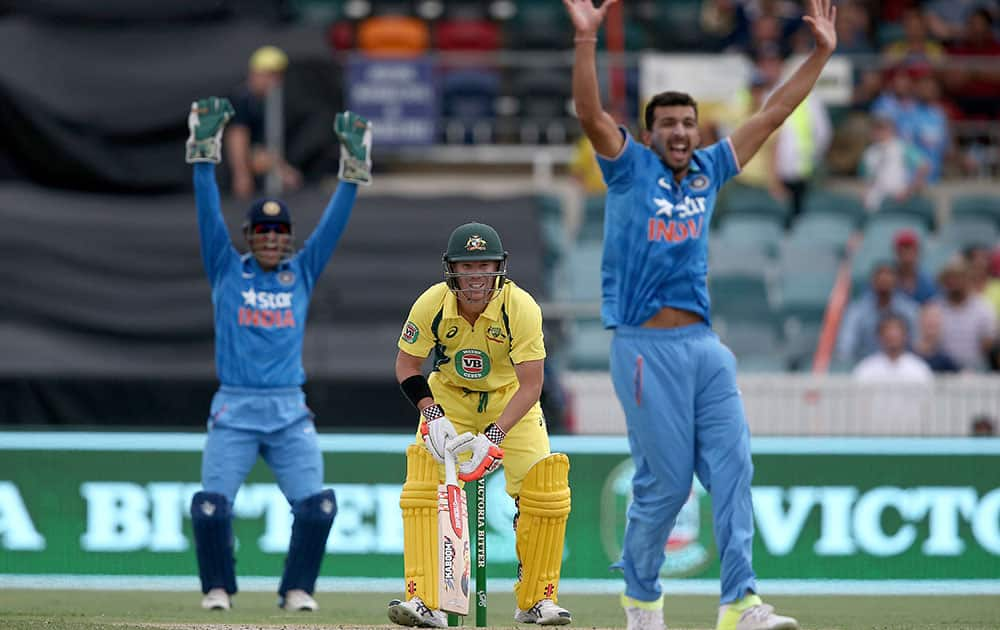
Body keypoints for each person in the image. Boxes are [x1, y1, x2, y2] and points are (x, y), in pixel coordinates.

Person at [565, 0, 838, 628]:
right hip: (642, 347)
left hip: (704, 348)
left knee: (734, 467)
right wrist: (587, 40)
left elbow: (773, 113)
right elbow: (589, 111)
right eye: (669, 123)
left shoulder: (710, 171)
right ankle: (641, 599)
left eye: (689, 121)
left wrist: (820, 53)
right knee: (665, 487)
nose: (682, 131)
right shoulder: (629, 169)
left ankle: (740, 602)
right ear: (651, 130)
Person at [185, 97, 373, 611]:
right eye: (263, 233)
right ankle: (218, 589)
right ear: (249, 237)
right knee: (209, 508)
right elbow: (206, 212)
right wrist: (205, 154)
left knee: (318, 507)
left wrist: (352, 172)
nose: (271, 239)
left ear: (288, 240)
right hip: (236, 409)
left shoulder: (302, 273)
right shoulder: (227, 269)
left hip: (289, 411)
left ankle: (297, 590)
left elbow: (333, 226)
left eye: (280, 233)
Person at [387, 222, 572, 628]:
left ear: (499, 268)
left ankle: (537, 600)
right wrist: (431, 413)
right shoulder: (432, 303)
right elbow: (407, 365)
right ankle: (427, 602)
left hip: (511, 402)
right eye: (466, 267)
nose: (476, 276)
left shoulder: (519, 307)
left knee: (545, 488)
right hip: (450, 398)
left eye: (484, 266)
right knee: (423, 486)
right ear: (451, 269)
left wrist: (495, 436)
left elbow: (532, 384)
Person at [226, 45, 304, 200]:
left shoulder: (270, 102)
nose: (275, 81)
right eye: (270, 75)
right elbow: (237, 138)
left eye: (278, 76)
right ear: (255, 74)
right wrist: (241, 175)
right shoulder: (242, 100)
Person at [837, 262, 920, 366]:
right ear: (872, 282)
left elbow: (917, 344)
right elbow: (845, 347)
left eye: (888, 278)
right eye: (880, 278)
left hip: (903, 367)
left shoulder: (909, 309)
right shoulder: (857, 311)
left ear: (896, 281)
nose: (884, 282)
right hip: (865, 368)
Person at [936, 257, 997, 371]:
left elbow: (989, 342)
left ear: (968, 279)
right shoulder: (935, 307)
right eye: (950, 277)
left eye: (959, 277)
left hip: (976, 366)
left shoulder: (983, 307)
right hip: (943, 367)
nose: (954, 282)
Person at [892, 228, 938, 304]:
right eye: (902, 249)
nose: (906, 252)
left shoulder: (928, 281)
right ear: (897, 252)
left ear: (918, 251)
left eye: (910, 248)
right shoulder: (886, 279)